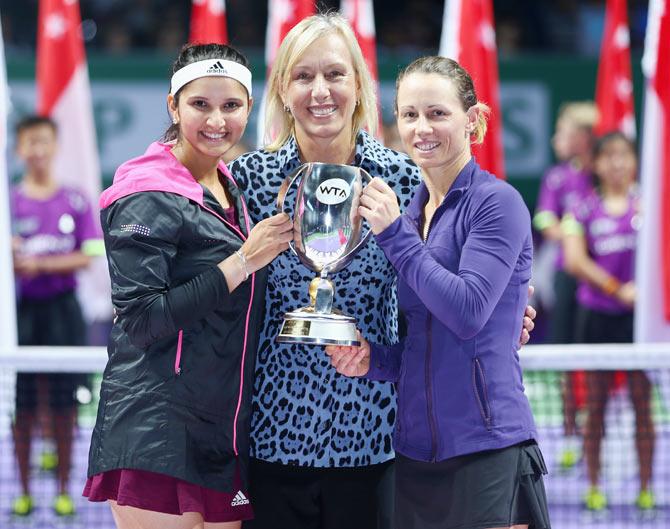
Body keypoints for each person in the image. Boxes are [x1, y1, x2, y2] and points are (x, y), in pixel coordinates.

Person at [229, 14, 536, 529]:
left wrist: (507, 317)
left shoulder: (405, 177)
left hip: (376, 436)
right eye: (303, 76)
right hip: (270, 433)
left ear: (359, 85)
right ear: (282, 87)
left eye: (335, 74)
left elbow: (452, 289)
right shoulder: (247, 181)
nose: (320, 90)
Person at [326, 56, 551, 529]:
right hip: (414, 457)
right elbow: (424, 344)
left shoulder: (497, 203)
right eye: (409, 115)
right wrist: (373, 360)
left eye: (437, 113)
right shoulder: (410, 216)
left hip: (488, 450)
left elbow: (467, 312)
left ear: (472, 121)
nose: (421, 128)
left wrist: (394, 237)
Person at [83, 43, 293, 529]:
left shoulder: (229, 189)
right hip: (155, 425)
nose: (216, 120)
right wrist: (244, 260)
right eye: (200, 104)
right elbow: (140, 320)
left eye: (231, 105)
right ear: (173, 106)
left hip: (222, 427)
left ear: (249, 109)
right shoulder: (145, 193)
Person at [10, 115, 101, 516]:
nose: (38, 150)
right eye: (31, 142)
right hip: (21, 314)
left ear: (56, 145)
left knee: (65, 406)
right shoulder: (8, 202)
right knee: (22, 407)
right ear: (19, 148)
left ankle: (65, 489)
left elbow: (92, 253)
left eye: (45, 141)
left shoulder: (76, 200)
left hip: (64, 312)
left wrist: (42, 265)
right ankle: (24, 491)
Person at [562, 131, 655, 512]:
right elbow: (574, 260)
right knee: (595, 406)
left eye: (625, 155)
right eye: (610, 156)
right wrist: (618, 288)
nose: (617, 163)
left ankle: (647, 488)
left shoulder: (650, 207)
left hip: (638, 324)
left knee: (642, 406)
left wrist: (644, 293)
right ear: (597, 164)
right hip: (596, 319)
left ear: (635, 161)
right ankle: (594, 485)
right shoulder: (580, 209)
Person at [533, 102, 598, 469]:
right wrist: (574, 236)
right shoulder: (556, 178)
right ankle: (571, 433)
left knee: (599, 361)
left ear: (583, 137)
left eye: (564, 131)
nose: (557, 139)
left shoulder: (603, 173)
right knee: (565, 355)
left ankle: (592, 433)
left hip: (605, 283)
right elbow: (545, 218)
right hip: (567, 276)